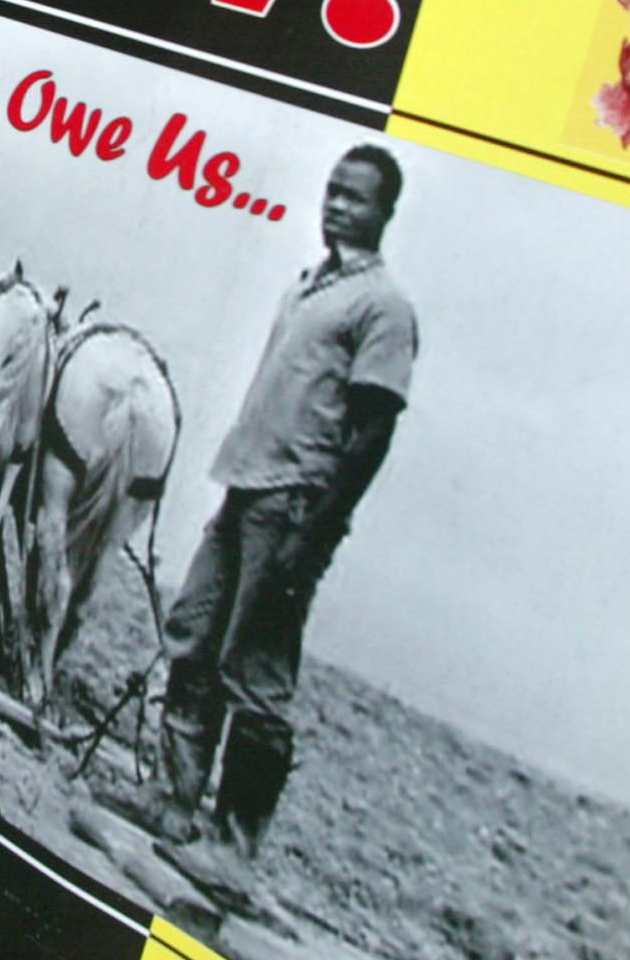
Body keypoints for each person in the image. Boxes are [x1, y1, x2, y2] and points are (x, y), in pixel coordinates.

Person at [126, 143, 417, 903]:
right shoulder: (307, 288)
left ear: (385, 212)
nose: (337, 204)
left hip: (293, 505)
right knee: (192, 633)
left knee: (255, 672)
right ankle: (174, 801)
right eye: (331, 189)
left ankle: (232, 851)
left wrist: (312, 533)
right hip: (244, 485)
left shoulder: (382, 307)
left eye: (355, 197)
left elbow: (372, 431)